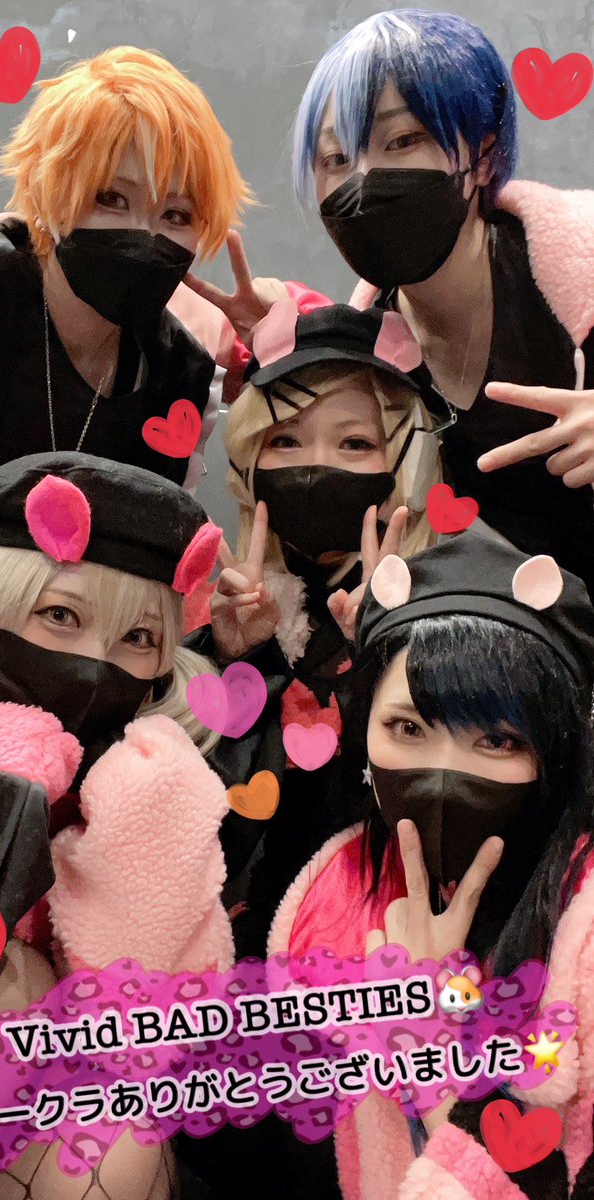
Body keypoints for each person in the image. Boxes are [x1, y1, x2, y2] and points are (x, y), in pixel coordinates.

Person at [0, 451, 232, 1199]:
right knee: (11, 979)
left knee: (115, 1132)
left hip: (31, 1125)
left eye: (137, 639)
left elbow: (149, 1038)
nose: (95, 662)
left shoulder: (145, 777)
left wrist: (142, 820)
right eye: (60, 616)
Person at [269, 527, 594, 1200]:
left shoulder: (582, 929)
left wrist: (427, 1019)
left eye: (497, 739)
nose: (443, 774)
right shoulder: (334, 889)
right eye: (408, 728)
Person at [289, 8, 594, 598]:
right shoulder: (371, 354)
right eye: (336, 159)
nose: (363, 179)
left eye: (403, 140)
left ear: (482, 156)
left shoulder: (574, 275)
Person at [0, 46, 253, 578]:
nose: (144, 234)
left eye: (176, 214)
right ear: (49, 193)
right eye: (111, 198)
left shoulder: (190, 360)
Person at [189, 302, 440, 954]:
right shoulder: (210, 609)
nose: (313, 464)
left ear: (404, 462)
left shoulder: (453, 618)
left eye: (354, 443)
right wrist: (229, 656)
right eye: (285, 440)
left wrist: (383, 656)